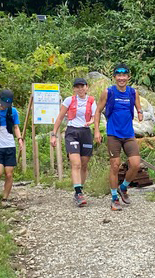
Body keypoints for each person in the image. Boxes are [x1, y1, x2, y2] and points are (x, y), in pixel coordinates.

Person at [94, 64, 144, 211]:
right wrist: (97, 131)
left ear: (128, 77)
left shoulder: (133, 92)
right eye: (118, 75)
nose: (121, 78)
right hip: (113, 134)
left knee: (135, 163)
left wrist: (140, 113)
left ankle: (123, 187)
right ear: (115, 77)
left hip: (128, 134)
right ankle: (114, 198)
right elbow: (97, 111)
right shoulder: (108, 92)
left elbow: (138, 106)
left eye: (124, 75)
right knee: (115, 165)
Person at [50, 78, 97, 207]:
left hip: (86, 132)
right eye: (77, 87)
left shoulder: (92, 101)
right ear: (74, 89)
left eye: (82, 86)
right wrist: (53, 134)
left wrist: (92, 122)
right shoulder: (69, 100)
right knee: (75, 163)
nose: (80, 89)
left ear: (87, 87)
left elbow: (95, 116)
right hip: (72, 132)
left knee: (84, 164)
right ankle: (78, 193)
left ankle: (80, 189)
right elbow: (60, 117)